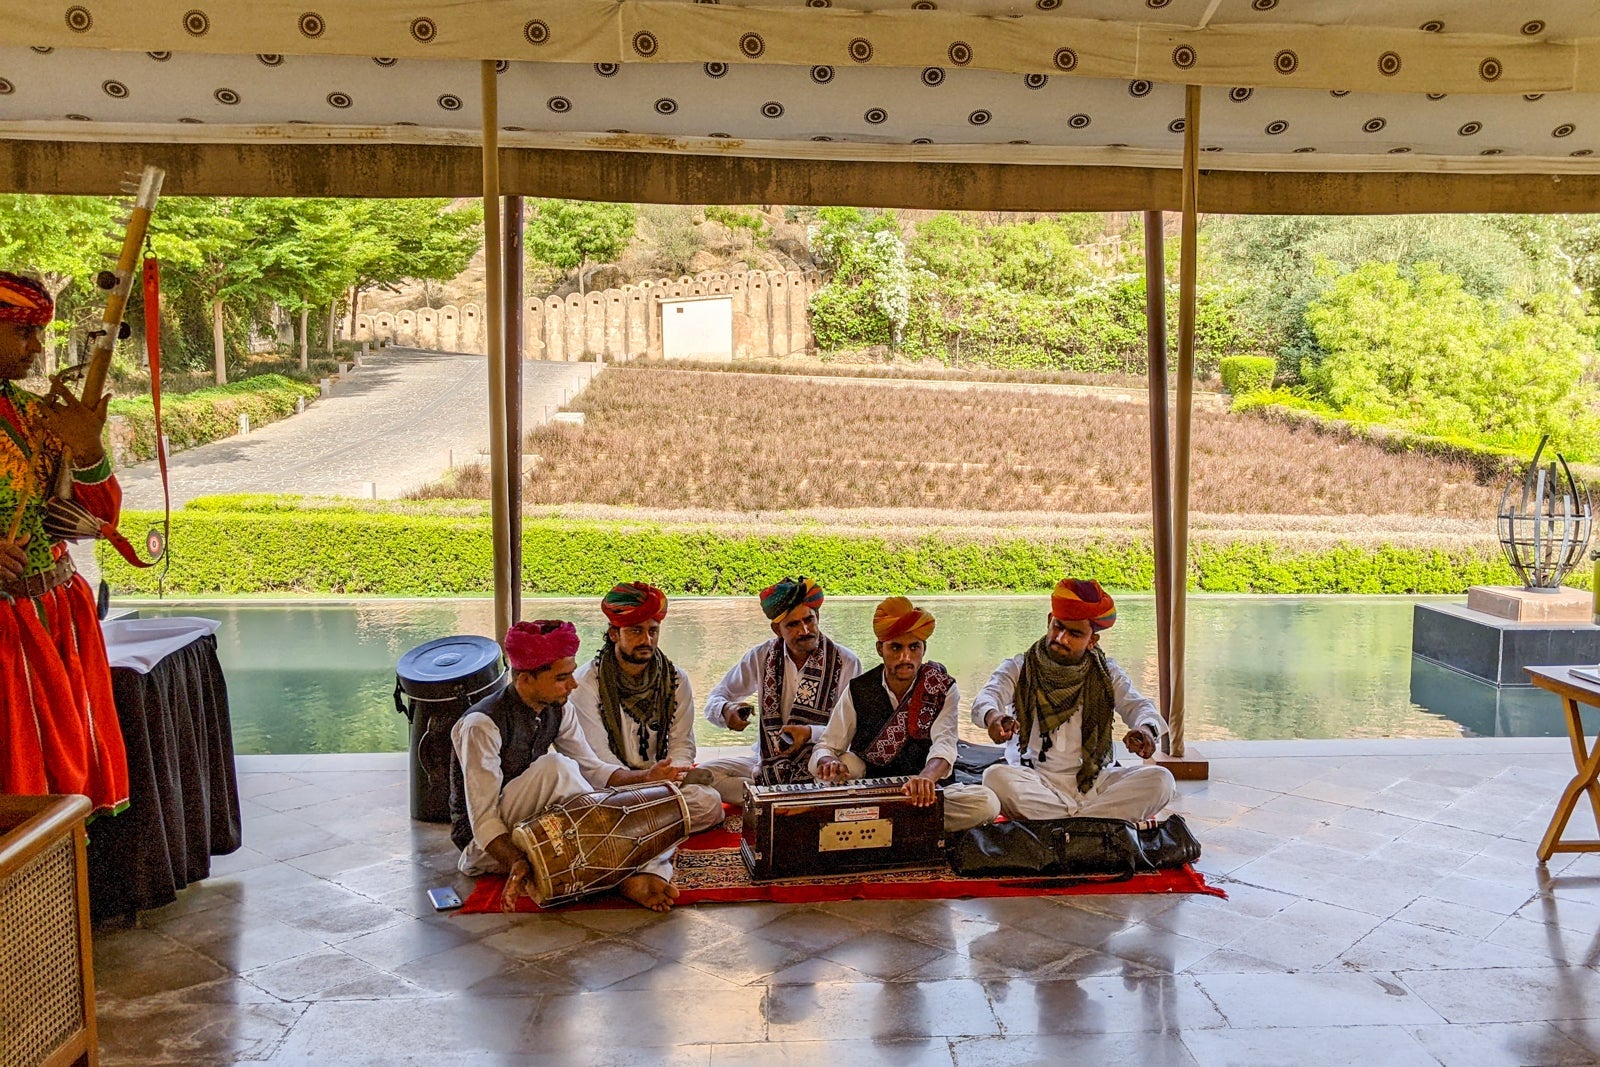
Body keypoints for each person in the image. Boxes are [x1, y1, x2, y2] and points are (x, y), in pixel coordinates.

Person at [0, 272, 129, 812]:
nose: (37, 347)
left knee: (67, 775)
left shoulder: (37, 416)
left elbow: (99, 518)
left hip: (57, 612)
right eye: (22, 332)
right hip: (7, 628)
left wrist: (89, 450)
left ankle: (63, 889)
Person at [448, 619, 684, 913]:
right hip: (490, 846)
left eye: (572, 674)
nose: (573, 685)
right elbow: (483, 821)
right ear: (525, 680)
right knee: (556, 768)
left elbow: (592, 770)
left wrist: (647, 778)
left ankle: (632, 873)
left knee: (656, 820)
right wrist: (517, 863)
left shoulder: (559, 708)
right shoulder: (481, 725)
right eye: (563, 677)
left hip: (534, 825)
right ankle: (628, 874)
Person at [972, 578, 1176, 822]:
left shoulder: (1106, 673)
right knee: (995, 778)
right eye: (1058, 627)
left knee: (1161, 780)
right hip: (1035, 781)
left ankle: (1064, 825)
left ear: (1092, 641)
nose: (1061, 638)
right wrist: (994, 717)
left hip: (1093, 782)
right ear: (1049, 620)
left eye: (1074, 633)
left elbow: (1140, 707)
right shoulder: (1020, 667)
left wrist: (1145, 730)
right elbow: (987, 697)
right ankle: (1095, 825)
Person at [812, 597, 1000, 832]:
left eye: (914, 647)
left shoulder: (941, 687)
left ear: (924, 649)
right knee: (845, 765)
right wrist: (827, 761)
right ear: (880, 648)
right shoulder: (858, 689)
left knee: (986, 803)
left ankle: (878, 823)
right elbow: (826, 745)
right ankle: (907, 824)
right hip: (873, 789)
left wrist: (925, 779)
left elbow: (945, 745)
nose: (906, 657)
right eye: (896, 648)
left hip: (925, 792)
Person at [570, 582, 725, 832]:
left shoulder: (676, 680)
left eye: (653, 631)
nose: (646, 639)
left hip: (664, 785)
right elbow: (597, 759)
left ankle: (635, 829)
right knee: (591, 806)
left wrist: (670, 776)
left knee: (709, 804)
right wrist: (642, 782)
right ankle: (653, 825)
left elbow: (682, 743)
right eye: (635, 631)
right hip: (610, 787)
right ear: (613, 633)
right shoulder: (586, 683)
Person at [700, 577, 861, 804]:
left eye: (809, 620)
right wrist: (727, 710)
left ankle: (769, 800)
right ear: (777, 629)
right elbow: (715, 699)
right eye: (793, 625)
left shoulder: (846, 662)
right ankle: (787, 800)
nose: (805, 630)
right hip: (767, 762)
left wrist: (809, 733)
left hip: (821, 761)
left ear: (818, 618)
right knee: (702, 776)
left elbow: (852, 729)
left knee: (845, 773)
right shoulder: (761, 656)